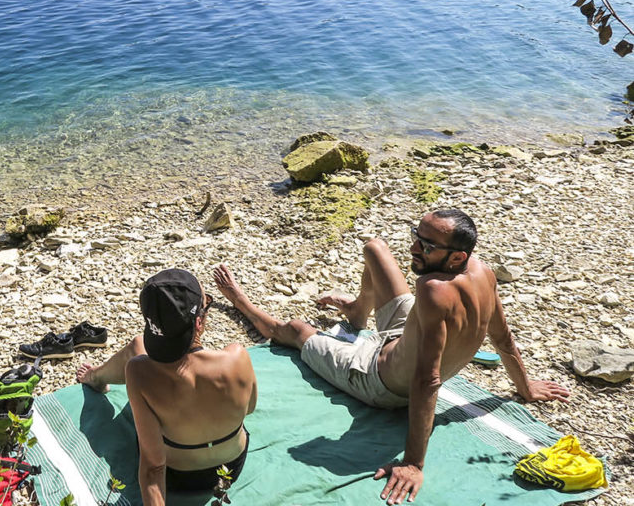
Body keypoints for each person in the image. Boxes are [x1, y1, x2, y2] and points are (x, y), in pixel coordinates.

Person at [213, 208, 570, 505]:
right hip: (402, 335)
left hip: (377, 379)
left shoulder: (433, 292)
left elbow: (427, 380)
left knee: (294, 329)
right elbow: (503, 338)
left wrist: (413, 463)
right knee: (375, 248)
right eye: (417, 235)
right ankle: (357, 311)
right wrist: (524, 387)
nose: (414, 247)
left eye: (426, 246)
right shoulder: (482, 273)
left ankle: (239, 301)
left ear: (457, 256)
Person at [76, 268, 258, 506]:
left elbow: (154, 467)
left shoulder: (139, 373)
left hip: (179, 476)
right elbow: (250, 408)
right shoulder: (238, 358)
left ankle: (95, 378)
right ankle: (97, 376)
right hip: (229, 469)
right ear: (199, 322)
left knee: (138, 347)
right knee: (140, 351)